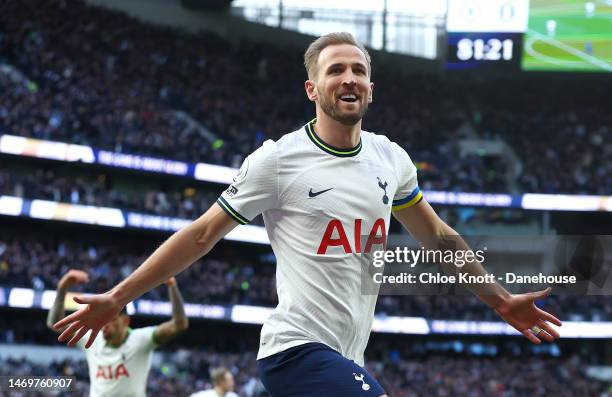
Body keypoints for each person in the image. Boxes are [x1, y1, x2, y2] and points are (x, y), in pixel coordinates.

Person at [54, 32, 562, 397]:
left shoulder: (392, 159)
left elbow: (438, 237)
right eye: (335, 70)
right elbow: (203, 234)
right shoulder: (278, 160)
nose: (349, 78)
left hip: (345, 357)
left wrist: (499, 301)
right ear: (312, 90)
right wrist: (119, 296)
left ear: (370, 89)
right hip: (294, 350)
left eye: (359, 70)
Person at [47, 269, 189, 397]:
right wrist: (62, 288)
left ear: (125, 321)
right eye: (102, 319)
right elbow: (55, 324)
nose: (104, 324)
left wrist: (172, 286)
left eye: (111, 319)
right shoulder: (92, 338)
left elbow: (179, 324)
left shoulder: (141, 339)